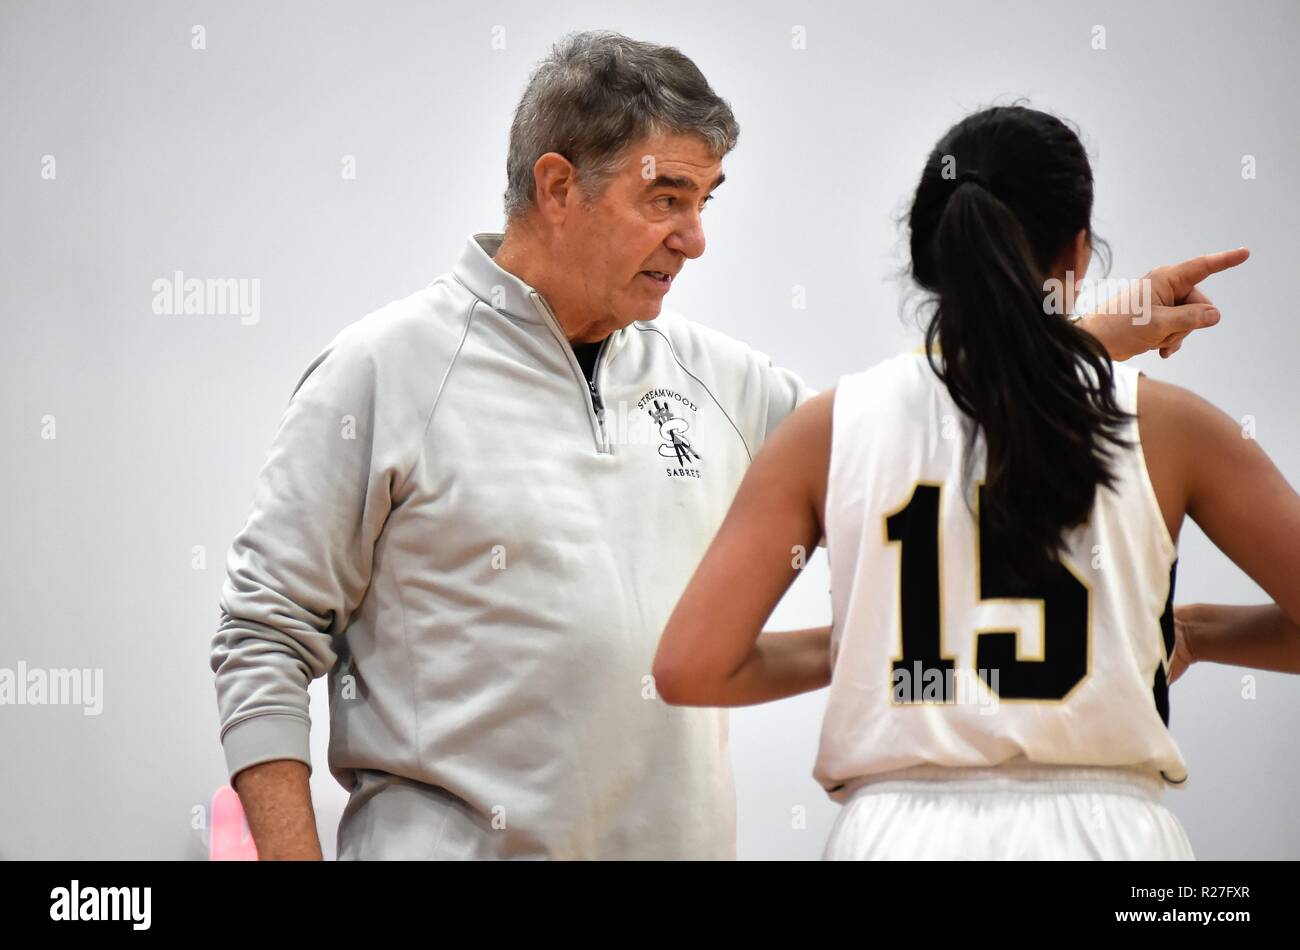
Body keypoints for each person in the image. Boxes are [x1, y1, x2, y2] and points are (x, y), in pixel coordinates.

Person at [211, 30, 1239, 861]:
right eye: (666, 199)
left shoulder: (722, 378)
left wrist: (1089, 334)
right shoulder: (382, 370)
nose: (695, 236)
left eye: (706, 202)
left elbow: (924, 424)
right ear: (558, 185)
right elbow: (263, 636)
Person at [653, 105, 1299, 860]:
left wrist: (885, 642)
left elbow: (690, 667)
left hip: (893, 836)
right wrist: (1201, 632)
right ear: (1079, 253)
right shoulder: (1178, 427)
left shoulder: (827, 429)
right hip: (1109, 836)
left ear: (928, 254)